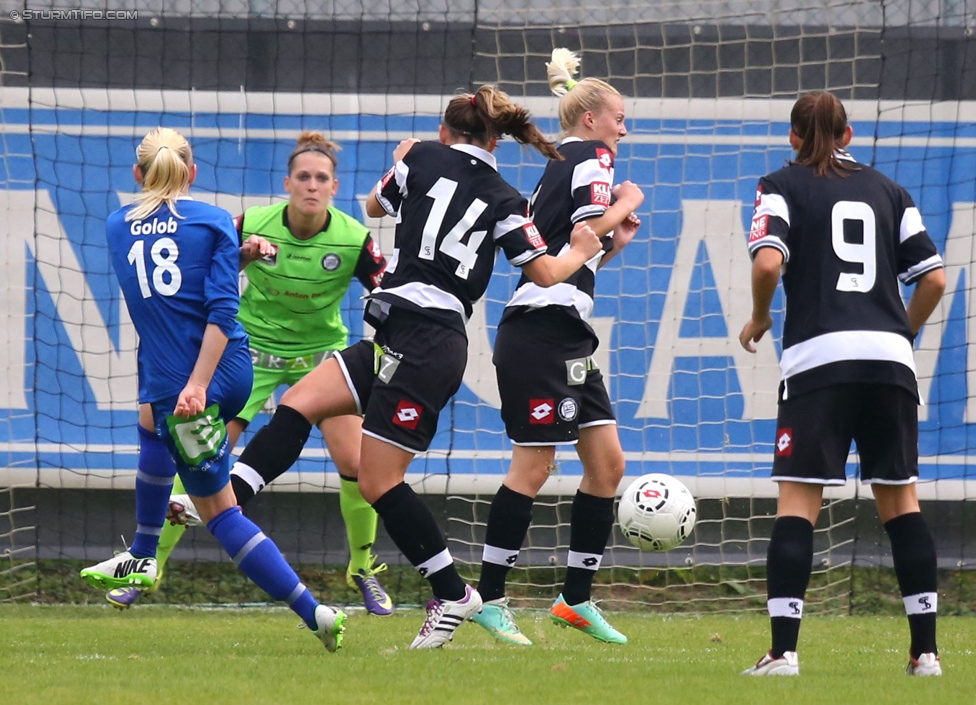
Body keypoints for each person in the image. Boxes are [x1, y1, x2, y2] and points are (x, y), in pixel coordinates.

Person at [228, 85, 605, 648]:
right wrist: (581, 246)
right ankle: (226, 501)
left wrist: (403, 159)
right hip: (411, 333)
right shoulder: (505, 196)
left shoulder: (422, 158)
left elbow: (375, 206)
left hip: (423, 341)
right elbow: (547, 273)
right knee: (300, 401)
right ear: (495, 138)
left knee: (379, 480)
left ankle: (453, 595)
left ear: (446, 132)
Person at [104, 132, 394, 617]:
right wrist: (244, 253)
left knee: (358, 462)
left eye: (321, 178)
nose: (311, 186)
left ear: (334, 187)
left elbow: (387, 289)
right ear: (287, 183)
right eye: (303, 177)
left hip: (319, 355)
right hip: (251, 353)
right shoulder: (247, 223)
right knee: (195, 449)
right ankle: (149, 564)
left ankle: (362, 568)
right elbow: (204, 272)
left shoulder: (353, 237)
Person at [738, 92, 946, 676]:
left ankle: (782, 653)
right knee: (901, 502)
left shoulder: (779, 184)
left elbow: (767, 263)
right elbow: (933, 279)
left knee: (798, 505)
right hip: (889, 362)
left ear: (793, 137)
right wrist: (899, 335)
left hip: (818, 360)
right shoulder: (891, 191)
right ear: (849, 134)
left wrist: (759, 316)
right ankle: (925, 653)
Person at [470, 48, 645, 646]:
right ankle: (488, 599)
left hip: (567, 331)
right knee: (535, 465)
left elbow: (582, 246)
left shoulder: (563, 159)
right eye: (619, 117)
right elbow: (588, 228)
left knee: (608, 466)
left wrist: (611, 238)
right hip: (540, 329)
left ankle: (574, 600)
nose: (624, 128)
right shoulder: (593, 157)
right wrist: (626, 203)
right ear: (592, 119)